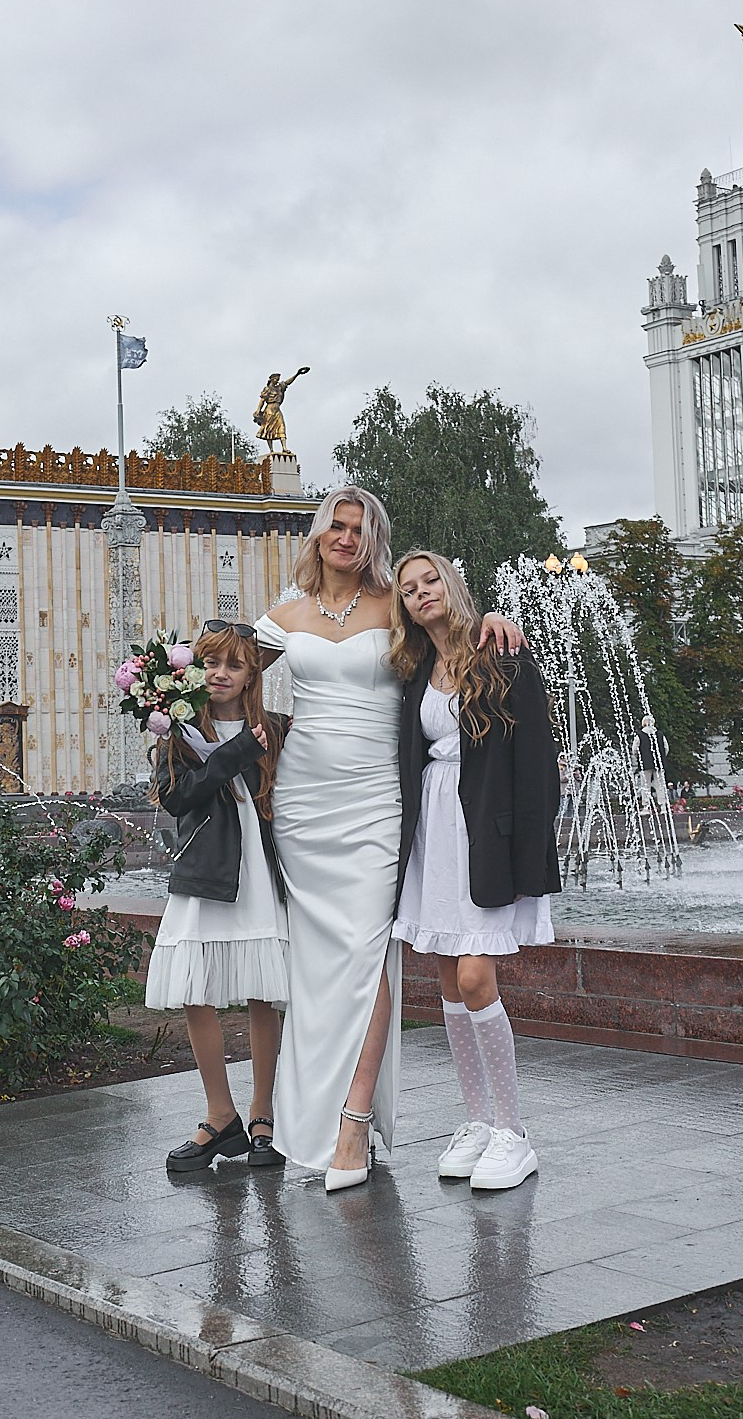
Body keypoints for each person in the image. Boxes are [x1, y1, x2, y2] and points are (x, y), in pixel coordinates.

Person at [254, 486, 521, 1189]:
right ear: (318, 535)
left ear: (375, 540)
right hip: (305, 803)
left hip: (378, 799)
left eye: (360, 528)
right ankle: (297, 1118)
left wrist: (493, 617)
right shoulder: (284, 615)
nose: (347, 538)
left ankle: (354, 1121)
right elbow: (227, 674)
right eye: (336, 526)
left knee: (370, 953)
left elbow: (448, 625)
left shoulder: (393, 606)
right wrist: (184, 702)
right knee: (316, 967)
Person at [390, 551, 559, 1193]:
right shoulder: (415, 670)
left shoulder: (502, 655)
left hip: (485, 830)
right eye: (409, 588)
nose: (421, 592)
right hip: (432, 831)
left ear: (453, 584)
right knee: (446, 980)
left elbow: (538, 763)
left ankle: (514, 1132)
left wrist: (529, 852)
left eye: (430, 579)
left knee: (475, 977)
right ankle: (479, 1121)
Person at [147, 619, 290, 1174]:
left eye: (234, 664)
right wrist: (232, 755)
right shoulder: (179, 729)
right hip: (206, 872)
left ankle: (263, 1116)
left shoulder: (275, 729)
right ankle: (219, 1114)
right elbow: (176, 798)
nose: (221, 673)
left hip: (259, 871)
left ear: (252, 673)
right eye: (210, 663)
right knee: (194, 989)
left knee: (263, 992)